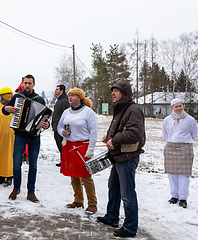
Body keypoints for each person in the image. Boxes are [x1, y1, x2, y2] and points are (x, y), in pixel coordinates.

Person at [96, 81, 145, 238]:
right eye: (112, 90)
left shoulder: (133, 109)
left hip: (127, 157)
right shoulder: (121, 109)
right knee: (114, 188)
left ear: (124, 93)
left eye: (116, 90)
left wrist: (114, 140)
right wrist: (108, 137)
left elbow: (135, 133)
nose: (112, 93)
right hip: (118, 157)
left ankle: (130, 227)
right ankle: (112, 217)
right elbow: (120, 129)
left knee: (127, 194)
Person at [2, 74, 49, 203]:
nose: (27, 85)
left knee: (33, 166)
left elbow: (46, 121)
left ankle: (31, 192)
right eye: (25, 83)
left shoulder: (40, 100)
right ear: (22, 84)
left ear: (34, 84)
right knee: (16, 164)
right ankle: (16, 188)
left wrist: (46, 124)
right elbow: (4, 110)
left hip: (34, 136)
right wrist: (6, 108)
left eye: (29, 83)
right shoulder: (17, 97)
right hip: (20, 135)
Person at [57, 87, 98, 215]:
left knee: (86, 176)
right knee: (73, 175)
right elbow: (59, 126)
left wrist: (91, 148)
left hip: (83, 146)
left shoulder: (88, 112)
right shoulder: (66, 112)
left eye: (73, 95)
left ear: (79, 98)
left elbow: (94, 131)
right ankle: (78, 200)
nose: (70, 97)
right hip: (69, 146)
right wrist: (62, 133)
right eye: (69, 95)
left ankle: (92, 203)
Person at [162, 98, 197, 209]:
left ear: (183, 106)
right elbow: (165, 133)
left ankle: (183, 198)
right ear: (171, 108)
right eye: (176, 106)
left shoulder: (190, 119)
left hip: (185, 148)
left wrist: (184, 142)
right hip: (171, 148)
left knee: (184, 174)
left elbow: (194, 134)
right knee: (171, 174)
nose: (178, 108)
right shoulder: (167, 120)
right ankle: (174, 196)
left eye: (180, 106)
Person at [52, 84, 70, 167]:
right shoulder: (60, 100)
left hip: (61, 128)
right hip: (56, 127)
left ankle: (66, 162)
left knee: (62, 145)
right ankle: (63, 160)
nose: (55, 90)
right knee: (60, 145)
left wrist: (66, 129)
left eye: (57, 89)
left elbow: (67, 115)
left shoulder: (64, 101)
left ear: (61, 91)